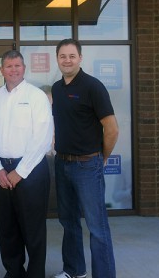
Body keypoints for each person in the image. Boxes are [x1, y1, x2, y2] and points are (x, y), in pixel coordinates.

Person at [0, 50, 54, 278]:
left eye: (17, 66)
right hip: (2, 170)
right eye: (9, 66)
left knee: (33, 229)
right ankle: (13, 271)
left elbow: (42, 138)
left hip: (31, 170)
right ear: (2, 71)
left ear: (24, 69)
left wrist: (19, 172)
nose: (13, 70)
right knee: (7, 228)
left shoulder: (36, 96)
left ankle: (35, 274)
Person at [51, 39, 119, 278]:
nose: (67, 60)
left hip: (88, 165)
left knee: (97, 227)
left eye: (71, 56)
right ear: (57, 59)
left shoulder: (93, 86)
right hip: (62, 163)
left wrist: (102, 157)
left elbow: (111, 128)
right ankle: (74, 270)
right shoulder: (57, 89)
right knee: (68, 222)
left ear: (80, 58)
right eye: (62, 56)